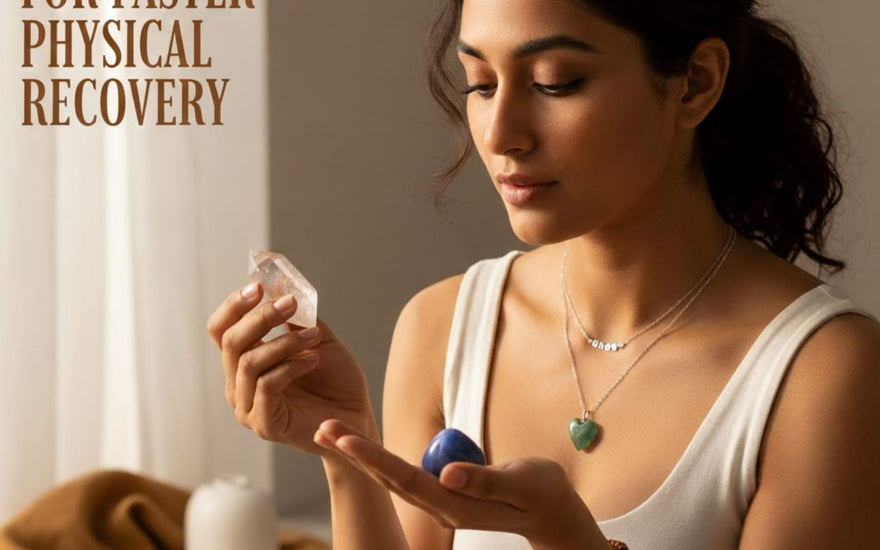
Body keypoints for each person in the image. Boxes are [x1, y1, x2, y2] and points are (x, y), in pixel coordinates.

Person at [206, 0, 880, 548]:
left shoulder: (823, 372)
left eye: (555, 81)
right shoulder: (442, 327)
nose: (500, 132)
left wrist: (567, 541)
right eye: (479, 83)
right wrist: (345, 450)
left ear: (696, 83)